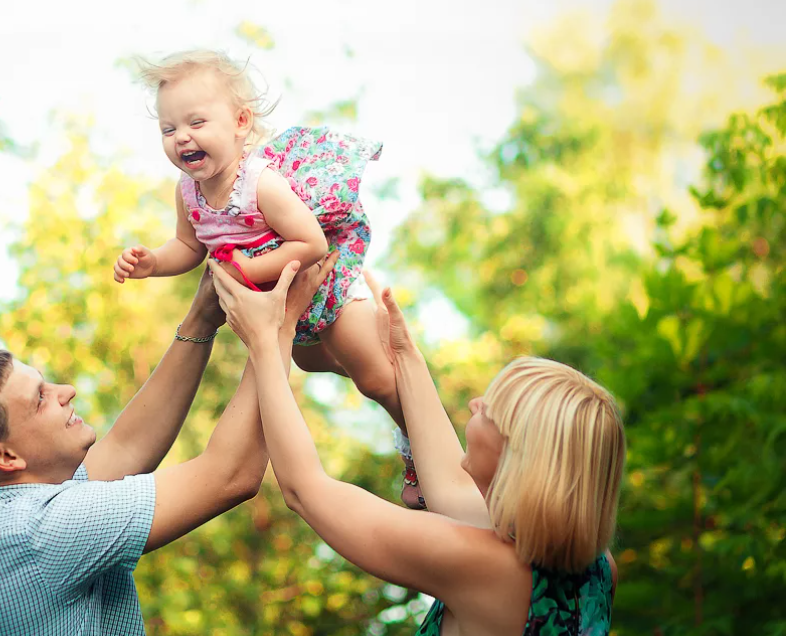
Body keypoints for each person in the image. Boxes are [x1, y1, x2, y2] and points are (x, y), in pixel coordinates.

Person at [0, 256, 336, 636]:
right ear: (4, 456)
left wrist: (200, 318)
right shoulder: (39, 533)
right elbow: (229, 475)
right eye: (40, 399)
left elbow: (127, 449)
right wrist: (276, 329)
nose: (67, 391)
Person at [210, 260, 625, 635]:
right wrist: (405, 353)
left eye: (490, 410)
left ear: (517, 457)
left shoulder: (478, 563)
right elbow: (448, 487)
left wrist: (267, 339)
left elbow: (307, 490)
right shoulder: (597, 567)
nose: (474, 403)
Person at [112, 49, 424, 508]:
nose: (182, 138)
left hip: (323, 292)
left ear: (240, 123)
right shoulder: (188, 192)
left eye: (197, 124)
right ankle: (388, 381)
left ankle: (422, 451)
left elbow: (312, 244)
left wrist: (248, 268)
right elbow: (188, 246)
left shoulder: (259, 183)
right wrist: (152, 263)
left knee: (375, 378)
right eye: (169, 129)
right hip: (283, 313)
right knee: (317, 364)